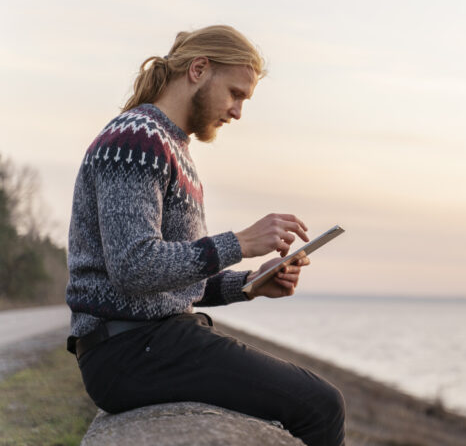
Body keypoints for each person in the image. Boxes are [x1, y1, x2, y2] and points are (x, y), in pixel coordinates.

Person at [65, 25, 345, 446]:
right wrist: (242, 242)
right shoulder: (136, 139)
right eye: (235, 94)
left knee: (317, 400)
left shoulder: (171, 146)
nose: (237, 112)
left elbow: (170, 279)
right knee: (322, 405)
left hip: (149, 343)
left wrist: (249, 286)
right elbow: (133, 267)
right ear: (199, 69)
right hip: (130, 351)